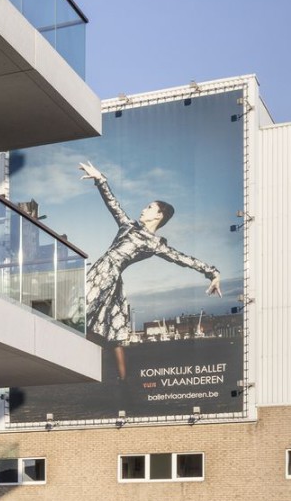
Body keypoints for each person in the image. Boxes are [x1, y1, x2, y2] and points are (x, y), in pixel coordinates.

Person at [79, 160, 221, 380]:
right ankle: (112, 379)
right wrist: (100, 179)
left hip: (107, 278)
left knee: (100, 325)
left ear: (158, 216)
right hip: (101, 272)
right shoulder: (128, 225)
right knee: (101, 327)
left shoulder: (154, 243)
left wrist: (213, 273)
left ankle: (123, 385)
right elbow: (113, 204)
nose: (143, 209)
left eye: (148, 207)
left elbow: (182, 258)